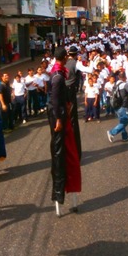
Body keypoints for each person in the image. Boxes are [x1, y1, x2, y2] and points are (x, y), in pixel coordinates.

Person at [47, 47, 81, 215]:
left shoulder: (58, 73)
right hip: (58, 119)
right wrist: (59, 119)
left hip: (62, 116)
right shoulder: (58, 77)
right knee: (60, 154)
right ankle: (59, 192)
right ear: (65, 57)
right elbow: (54, 100)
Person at [106, 71, 128, 143]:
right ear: (125, 77)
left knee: (122, 121)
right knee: (125, 122)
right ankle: (111, 132)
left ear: (119, 77)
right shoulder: (125, 85)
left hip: (116, 105)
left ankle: (125, 137)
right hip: (123, 106)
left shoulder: (116, 84)